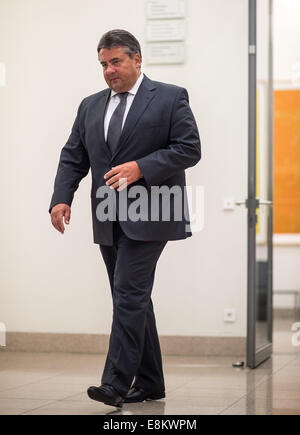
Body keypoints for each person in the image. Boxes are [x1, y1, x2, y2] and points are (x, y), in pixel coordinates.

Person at [49, 29, 201, 408]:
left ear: (137, 59)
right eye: (103, 64)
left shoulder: (169, 97)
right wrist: (60, 199)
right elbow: (73, 156)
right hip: (108, 215)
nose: (109, 70)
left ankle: (116, 382)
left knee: (128, 294)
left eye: (116, 61)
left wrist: (141, 168)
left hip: (154, 210)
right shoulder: (90, 105)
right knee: (133, 298)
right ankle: (150, 382)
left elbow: (189, 148)